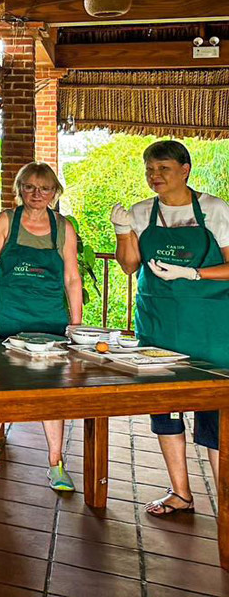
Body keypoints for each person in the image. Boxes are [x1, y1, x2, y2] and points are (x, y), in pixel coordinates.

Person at [111, 140, 229, 515]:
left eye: (162, 168)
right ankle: (181, 492)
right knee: (166, 410)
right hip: (158, 324)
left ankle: (225, 501)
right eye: (149, 169)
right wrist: (121, 231)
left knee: (214, 413)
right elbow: (130, 265)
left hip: (209, 327)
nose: (154, 176)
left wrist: (193, 273)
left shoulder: (214, 209)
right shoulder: (143, 212)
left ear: (185, 169)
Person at [0, 162, 83, 490]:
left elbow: (72, 278)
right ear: (20, 189)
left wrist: (75, 325)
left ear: (54, 192)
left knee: (51, 393)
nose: (37, 194)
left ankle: (56, 462)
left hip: (49, 319)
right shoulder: (7, 220)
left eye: (45, 188)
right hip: (8, 317)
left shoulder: (63, 227)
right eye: (30, 187)